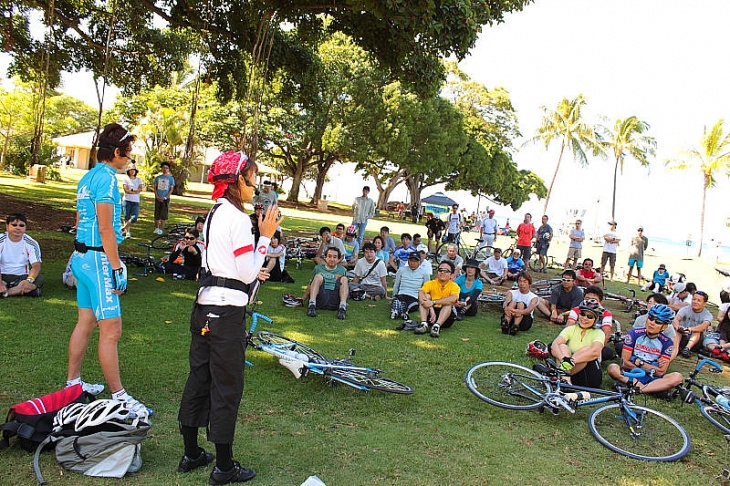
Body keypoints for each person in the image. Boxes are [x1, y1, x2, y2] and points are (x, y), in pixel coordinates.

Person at [178, 149, 282, 483]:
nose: (256, 187)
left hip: (204, 309)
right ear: (238, 180)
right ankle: (224, 466)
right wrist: (264, 236)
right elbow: (248, 271)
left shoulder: (214, 212)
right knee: (226, 385)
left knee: (199, 377)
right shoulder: (236, 218)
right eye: (253, 179)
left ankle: (192, 453)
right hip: (226, 314)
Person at [67, 122, 150, 415]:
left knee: (86, 322)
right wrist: (116, 266)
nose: (129, 160)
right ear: (116, 152)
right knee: (111, 330)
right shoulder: (106, 180)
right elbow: (104, 227)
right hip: (97, 260)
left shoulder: (87, 178)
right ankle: (120, 397)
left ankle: (73, 384)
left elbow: (81, 221)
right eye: (127, 155)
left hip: (82, 258)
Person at [608, 304, 684, 394]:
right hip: (633, 373)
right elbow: (625, 362)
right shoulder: (634, 333)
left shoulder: (667, 342)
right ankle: (651, 389)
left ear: (664, 327)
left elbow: (661, 372)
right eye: (650, 318)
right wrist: (650, 368)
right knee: (612, 368)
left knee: (677, 377)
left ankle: (639, 388)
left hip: (653, 377)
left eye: (658, 322)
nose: (652, 323)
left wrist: (640, 363)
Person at [550, 299, 605, 387]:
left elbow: (595, 352)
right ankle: (566, 382)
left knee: (586, 350)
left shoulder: (599, 333)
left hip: (588, 374)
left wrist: (571, 361)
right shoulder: (571, 329)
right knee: (562, 346)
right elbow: (554, 345)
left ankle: (561, 377)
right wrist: (564, 360)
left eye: (590, 316)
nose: (584, 318)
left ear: (595, 320)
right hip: (569, 370)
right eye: (582, 314)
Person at [0, 213, 44, 297]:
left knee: (39, 278)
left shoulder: (31, 243)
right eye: (14, 225)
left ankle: (6, 293)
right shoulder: (1, 240)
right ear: (7, 226)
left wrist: (29, 281)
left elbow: (36, 265)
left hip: (21, 277)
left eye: (21, 225)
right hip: (2, 275)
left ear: (25, 228)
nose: (18, 228)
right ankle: (25, 291)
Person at [414, 260, 460, 338]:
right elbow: (421, 293)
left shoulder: (454, 286)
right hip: (430, 315)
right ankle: (424, 324)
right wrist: (431, 309)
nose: (442, 272)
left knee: (448, 303)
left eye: (446, 271)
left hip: (447, 317)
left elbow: (453, 299)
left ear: (451, 274)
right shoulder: (430, 283)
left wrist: (433, 302)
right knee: (426, 296)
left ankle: (436, 326)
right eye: (440, 270)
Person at [304, 247, 349, 319]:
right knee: (318, 276)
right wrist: (304, 298)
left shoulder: (342, 270)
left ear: (338, 259)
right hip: (321, 297)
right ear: (325, 257)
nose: (332, 259)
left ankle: (342, 308)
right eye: (329, 256)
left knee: (344, 279)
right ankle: (311, 306)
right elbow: (311, 284)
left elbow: (345, 287)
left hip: (335, 298)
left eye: (335, 257)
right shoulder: (318, 268)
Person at [391, 251, 429, 323]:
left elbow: (426, 288)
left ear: (419, 262)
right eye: (411, 261)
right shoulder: (401, 270)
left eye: (415, 261)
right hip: (401, 294)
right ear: (408, 261)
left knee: (412, 304)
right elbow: (396, 285)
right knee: (397, 300)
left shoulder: (424, 273)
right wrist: (393, 296)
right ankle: (398, 310)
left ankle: (402, 310)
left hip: (414, 296)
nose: (412, 263)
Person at [675, 290, 713, 358]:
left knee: (697, 331)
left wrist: (689, 329)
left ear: (704, 303)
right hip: (683, 336)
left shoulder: (707, 314)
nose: (695, 302)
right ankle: (676, 348)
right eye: (694, 299)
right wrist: (678, 326)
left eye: (698, 300)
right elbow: (677, 319)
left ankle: (687, 349)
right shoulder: (685, 309)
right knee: (678, 330)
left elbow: (703, 327)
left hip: (696, 341)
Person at [501, 271, 539, 335]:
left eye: (524, 282)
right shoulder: (511, 292)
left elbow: (528, 310)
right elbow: (506, 302)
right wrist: (506, 308)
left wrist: (518, 311)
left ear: (529, 283)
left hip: (524, 321)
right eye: (520, 281)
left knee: (521, 304)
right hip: (511, 315)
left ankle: (515, 326)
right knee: (513, 303)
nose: (522, 284)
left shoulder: (534, 297)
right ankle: (505, 324)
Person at [121, 165, 144, 239]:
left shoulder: (139, 180)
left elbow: (140, 189)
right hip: (127, 200)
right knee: (126, 217)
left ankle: (123, 228)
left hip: (135, 201)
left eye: (134, 170)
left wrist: (132, 190)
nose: (132, 171)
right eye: (131, 170)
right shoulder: (126, 179)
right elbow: (126, 190)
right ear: (128, 171)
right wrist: (134, 191)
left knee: (134, 217)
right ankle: (127, 232)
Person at [153, 161, 175, 235]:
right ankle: (156, 228)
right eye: (163, 168)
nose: (165, 169)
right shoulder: (158, 178)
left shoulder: (171, 179)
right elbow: (155, 188)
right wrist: (157, 196)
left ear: (169, 169)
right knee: (157, 213)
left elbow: (171, 189)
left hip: (165, 199)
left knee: (164, 214)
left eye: (167, 168)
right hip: (158, 198)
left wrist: (166, 197)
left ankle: (161, 229)